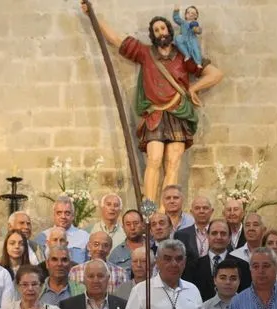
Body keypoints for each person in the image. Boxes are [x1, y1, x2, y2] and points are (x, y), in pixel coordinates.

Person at [80, 1, 224, 201]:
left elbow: (215, 74)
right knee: (154, 160)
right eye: (156, 30)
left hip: (179, 113)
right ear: (152, 35)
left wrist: (193, 88)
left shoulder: (184, 56)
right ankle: (149, 210)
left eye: (163, 28)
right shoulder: (145, 53)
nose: (160, 32)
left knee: (173, 163)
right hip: (155, 115)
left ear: (169, 30)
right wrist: (92, 16)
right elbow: (116, 39)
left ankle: (166, 211)